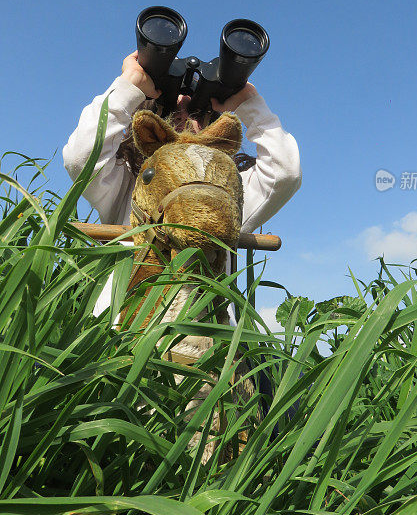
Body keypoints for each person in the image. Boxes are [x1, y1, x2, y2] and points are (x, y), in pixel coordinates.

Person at [63, 50, 302, 318]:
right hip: (121, 344)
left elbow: (284, 174)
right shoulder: (127, 186)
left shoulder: (225, 196)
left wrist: (249, 102)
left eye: (198, 112)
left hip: (209, 349)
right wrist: (129, 85)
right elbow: (82, 158)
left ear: (214, 128)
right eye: (172, 109)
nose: (184, 117)